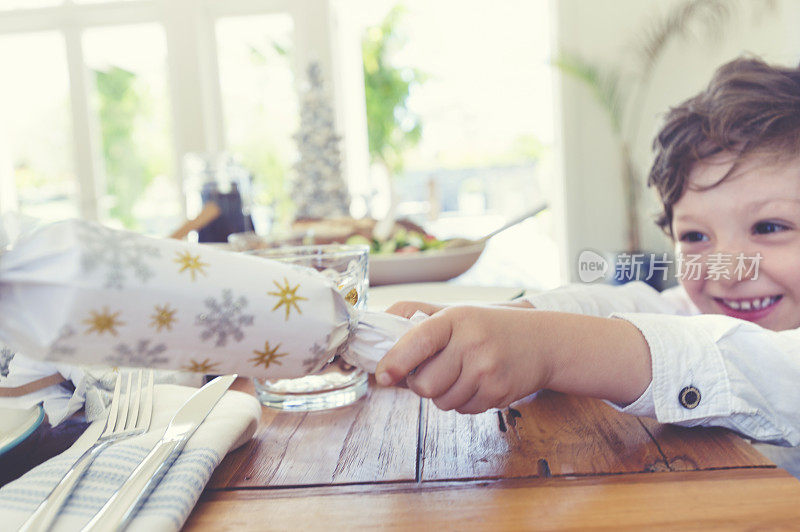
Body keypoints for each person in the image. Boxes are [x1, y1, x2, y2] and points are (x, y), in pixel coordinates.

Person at [375, 56, 800, 449]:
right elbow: (629, 305)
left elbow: (759, 364)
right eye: (694, 237)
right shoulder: (698, 308)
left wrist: (548, 348)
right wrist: (501, 321)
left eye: (769, 227)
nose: (726, 272)